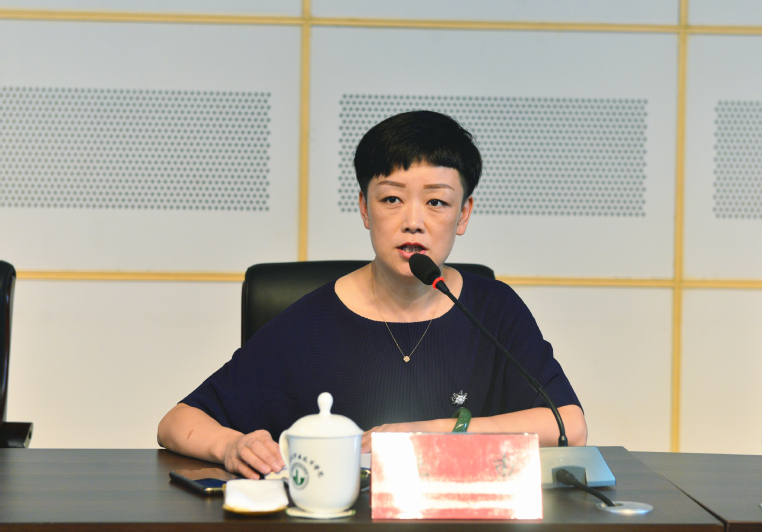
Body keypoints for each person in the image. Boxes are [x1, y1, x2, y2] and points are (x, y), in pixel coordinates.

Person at [157, 110, 587, 480]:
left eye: (436, 203)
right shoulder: (308, 322)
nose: (413, 221)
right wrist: (231, 446)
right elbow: (177, 422)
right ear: (365, 207)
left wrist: (431, 432)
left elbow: (568, 425)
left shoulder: (494, 309)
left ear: (464, 214)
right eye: (392, 199)